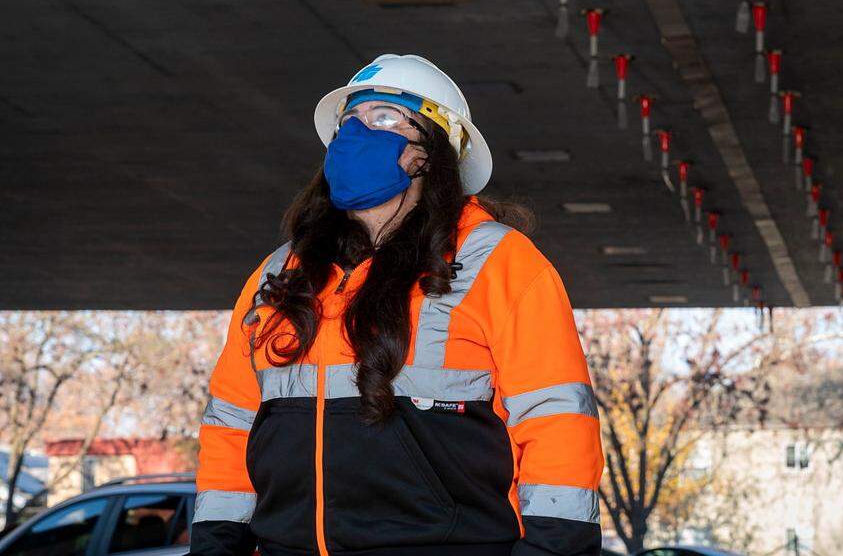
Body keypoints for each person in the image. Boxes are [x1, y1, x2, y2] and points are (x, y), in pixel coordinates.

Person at [189, 54, 605, 556]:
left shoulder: (498, 261)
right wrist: (215, 543)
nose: (358, 133)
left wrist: (553, 548)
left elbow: (557, 420)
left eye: (384, 117)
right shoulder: (281, 274)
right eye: (349, 122)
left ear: (429, 151)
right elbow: (231, 424)